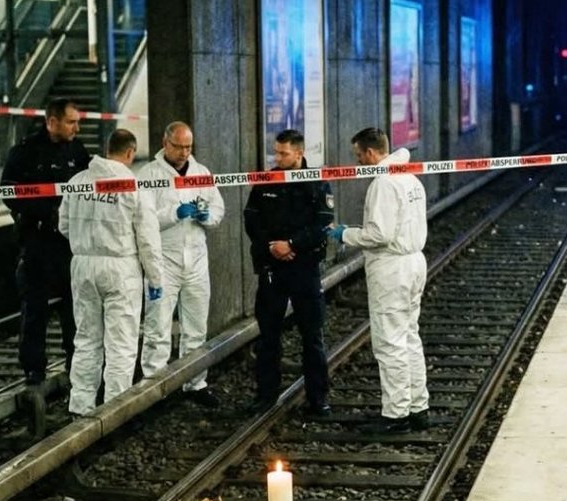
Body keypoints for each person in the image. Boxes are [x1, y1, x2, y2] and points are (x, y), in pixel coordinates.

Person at [328, 127, 429, 432]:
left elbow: (379, 235)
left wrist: (345, 233)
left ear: (371, 153)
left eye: (358, 155)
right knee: (410, 336)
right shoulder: (410, 177)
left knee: (390, 342)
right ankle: (417, 406)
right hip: (413, 262)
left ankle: (396, 415)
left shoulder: (383, 183)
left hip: (392, 268)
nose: (358, 161)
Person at [58, 129, 163, 417]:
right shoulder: (132, 185)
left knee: (86, 338)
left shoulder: (77, 181)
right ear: (130, 152)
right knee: (121, 342)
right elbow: (148, 240)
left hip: (82, 265)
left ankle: (80, 406)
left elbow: (63, 226)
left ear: (107, 149)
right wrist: (156, 279)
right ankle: (115, 411)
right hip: (120, 268)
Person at [243, 129, 334, 415]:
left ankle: (318, 399)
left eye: (284, 153)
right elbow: (252, 220)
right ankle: (266, 395)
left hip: (304, 268)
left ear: (299, 153)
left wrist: (292, 244)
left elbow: (322, 223)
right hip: (273, 269)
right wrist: (272, 246)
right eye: (276, 152)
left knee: (312, 336)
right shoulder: (266, 181)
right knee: (268, 336)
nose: (278, 157)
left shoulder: (316, 183)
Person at [0, 99, 91, 385]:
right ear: (52, 122)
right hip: (37, 240)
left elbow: (92, 186)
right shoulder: (25, 153)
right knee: (34, 307)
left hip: (68, 242)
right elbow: (7, 191)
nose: (77, 127)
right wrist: (45, 212)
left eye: (77, 121)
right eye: (71, 121)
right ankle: (33, 369)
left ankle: (75, 362)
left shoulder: (77, 151)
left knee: (73, 306)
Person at [138, 121, 226, 408]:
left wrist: (206, 217)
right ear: (165, 144)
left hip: (196, 261)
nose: (184, 152)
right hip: (163, 261)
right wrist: (173, 213)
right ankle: (155, 387)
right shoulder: (149, 175)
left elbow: (218, 209)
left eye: (188, 147)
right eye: (178, 147)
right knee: (158, 326)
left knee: (196, 326)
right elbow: (143, 219)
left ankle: (195, 382)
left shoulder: (202, 173)